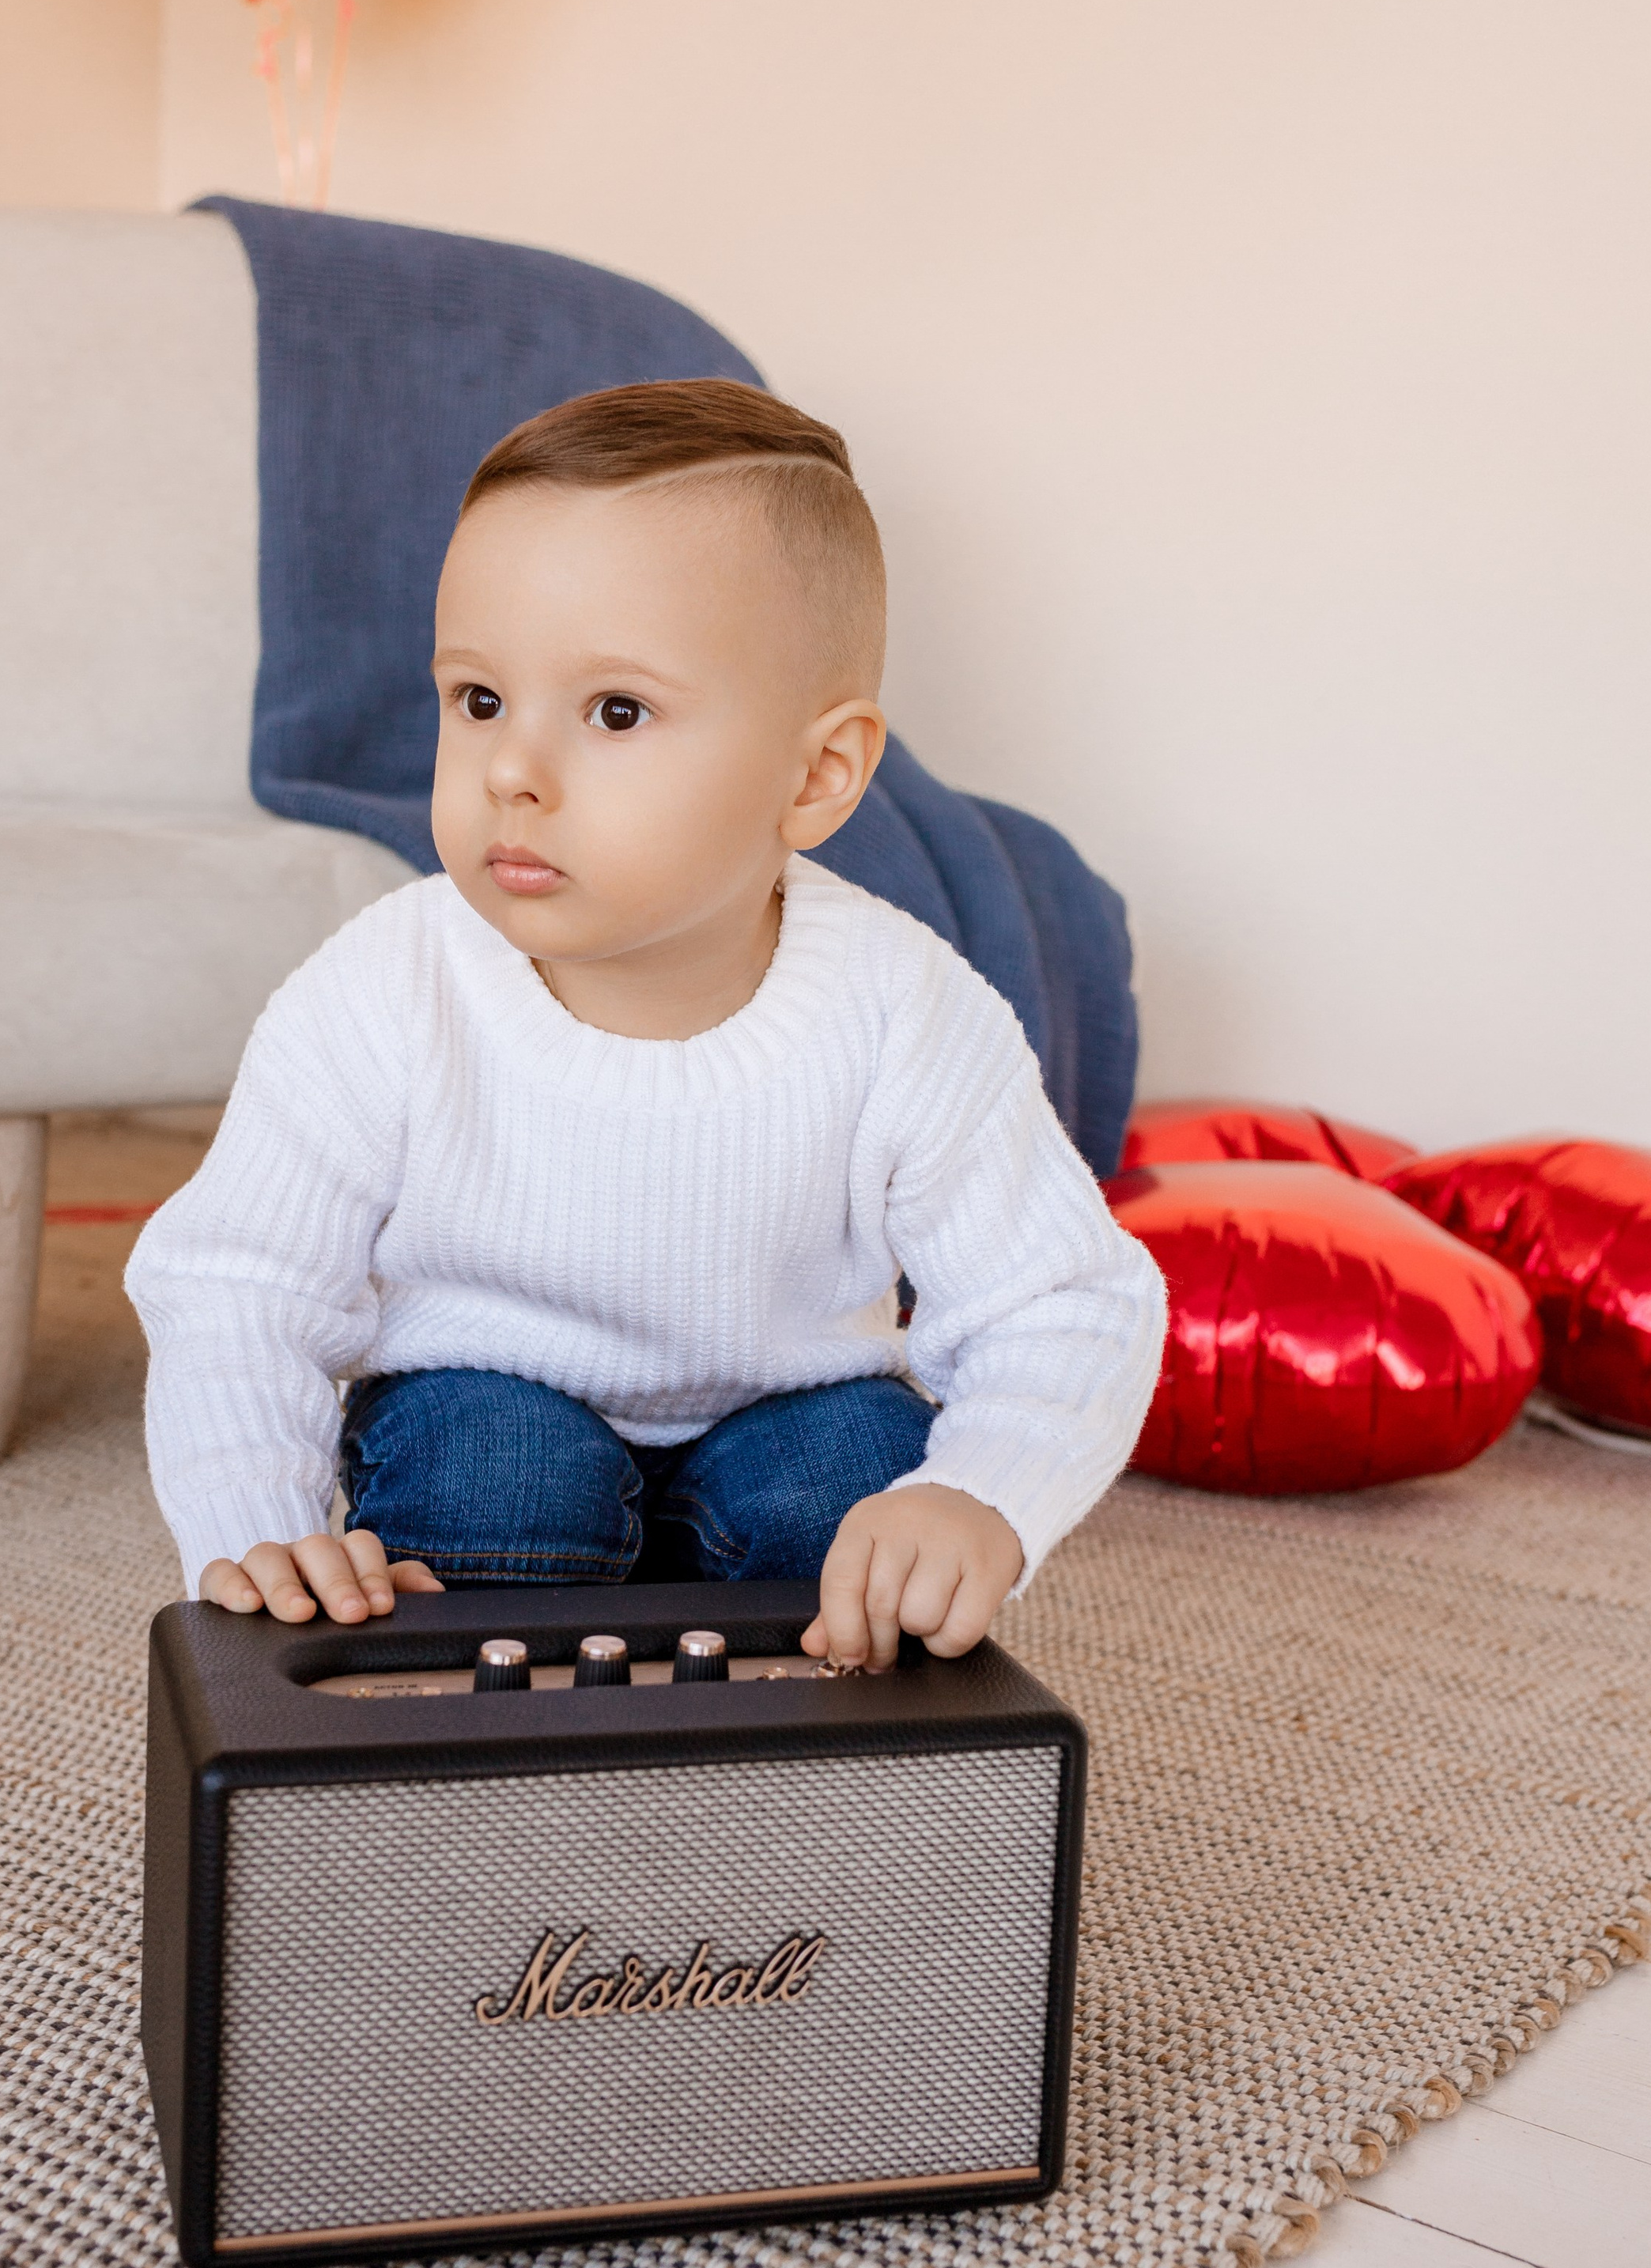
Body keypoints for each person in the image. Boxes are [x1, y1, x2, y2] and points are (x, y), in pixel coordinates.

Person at [126, 381, 1164, 1669]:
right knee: (494, 1480)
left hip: (781, 1418)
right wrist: (261, 1529)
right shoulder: (387, 988)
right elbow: (241, 1284)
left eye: (615, 712)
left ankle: (790, 1744)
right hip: (494, 1410)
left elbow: (1064, 1299)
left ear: (814, 776)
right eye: (478, 700)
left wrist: (987, 1493)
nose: (511, 770)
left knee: (859, 1479)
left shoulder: (907, 1008)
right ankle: (500, 1741)